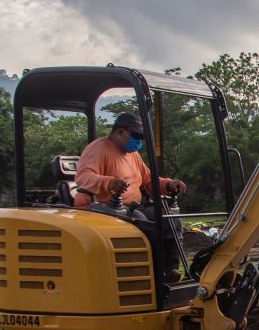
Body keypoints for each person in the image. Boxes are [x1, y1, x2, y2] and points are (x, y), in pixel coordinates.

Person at [75, 112, 188, 279]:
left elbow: (148, 180)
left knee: (169, 218)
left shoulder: (132, 154)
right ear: (120, 132)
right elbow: (83, 178)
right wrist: (109, 182)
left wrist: (168, 184)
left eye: (142, 137)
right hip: (106, 209)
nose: (140, 141)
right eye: (137, 136)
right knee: (143, 221)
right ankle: (151, 276)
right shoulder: (97, 149)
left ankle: (171, 270)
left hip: (131, 207)